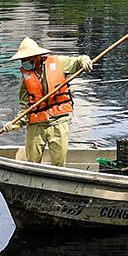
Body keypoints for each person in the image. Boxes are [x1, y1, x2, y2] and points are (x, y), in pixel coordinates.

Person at [15, 37, 92, 167]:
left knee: (58, 163)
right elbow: (24, 107)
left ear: (36, 57)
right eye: (22, 60)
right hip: (36, 123)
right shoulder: (25, 78)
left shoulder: (58, 63)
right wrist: (15, 124)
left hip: (58, 120)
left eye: (26, 59)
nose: (23, 62)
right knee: (32, 163)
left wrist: (85, 61)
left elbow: (78, 61)